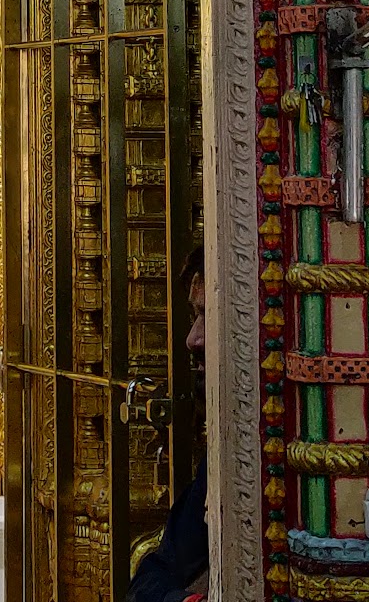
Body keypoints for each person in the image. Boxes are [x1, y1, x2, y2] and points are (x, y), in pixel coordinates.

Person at [127, 244, 208, 602]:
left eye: (207, 315)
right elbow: (153, 576)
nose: (193, 339)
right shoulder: (216, 465)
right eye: (195, 316)